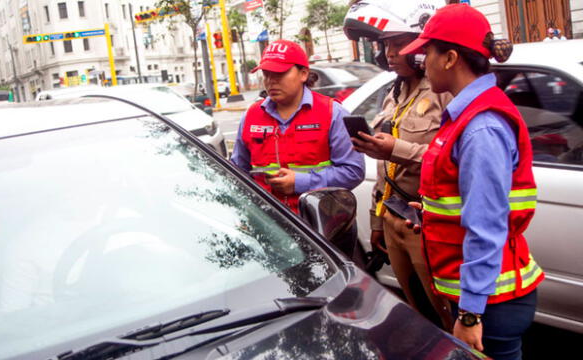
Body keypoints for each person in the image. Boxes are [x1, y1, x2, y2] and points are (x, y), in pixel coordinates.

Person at [400, 4, 545, 359]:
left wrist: (470, 313)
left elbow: (487, 225)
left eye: (426, 53)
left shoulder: (480, 126)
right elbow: (466, 198)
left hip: (491, 303)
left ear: (450, 58)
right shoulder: (467, 115)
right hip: (485, 298)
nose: (422, 63)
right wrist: (431, 213)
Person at [343, 0, 454, 331]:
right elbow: (384, 169)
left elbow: (448, 157)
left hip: (426, 223)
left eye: (398, 43)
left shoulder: (442, 91)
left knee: (447, 315)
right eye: (385, 45)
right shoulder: (394, 90)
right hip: (394, 220)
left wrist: (396, 149)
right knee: (419, 313)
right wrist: (377, 221)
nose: (389, 53)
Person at [230, 39, 365, 215]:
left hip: (319, 225)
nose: (270, 81)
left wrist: (300, 182)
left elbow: (353, 171)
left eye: (279, 74)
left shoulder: (333, 113)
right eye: (266, 74)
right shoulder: (251, 116)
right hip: (269, 224)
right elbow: (238, 171)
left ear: (303, 74)